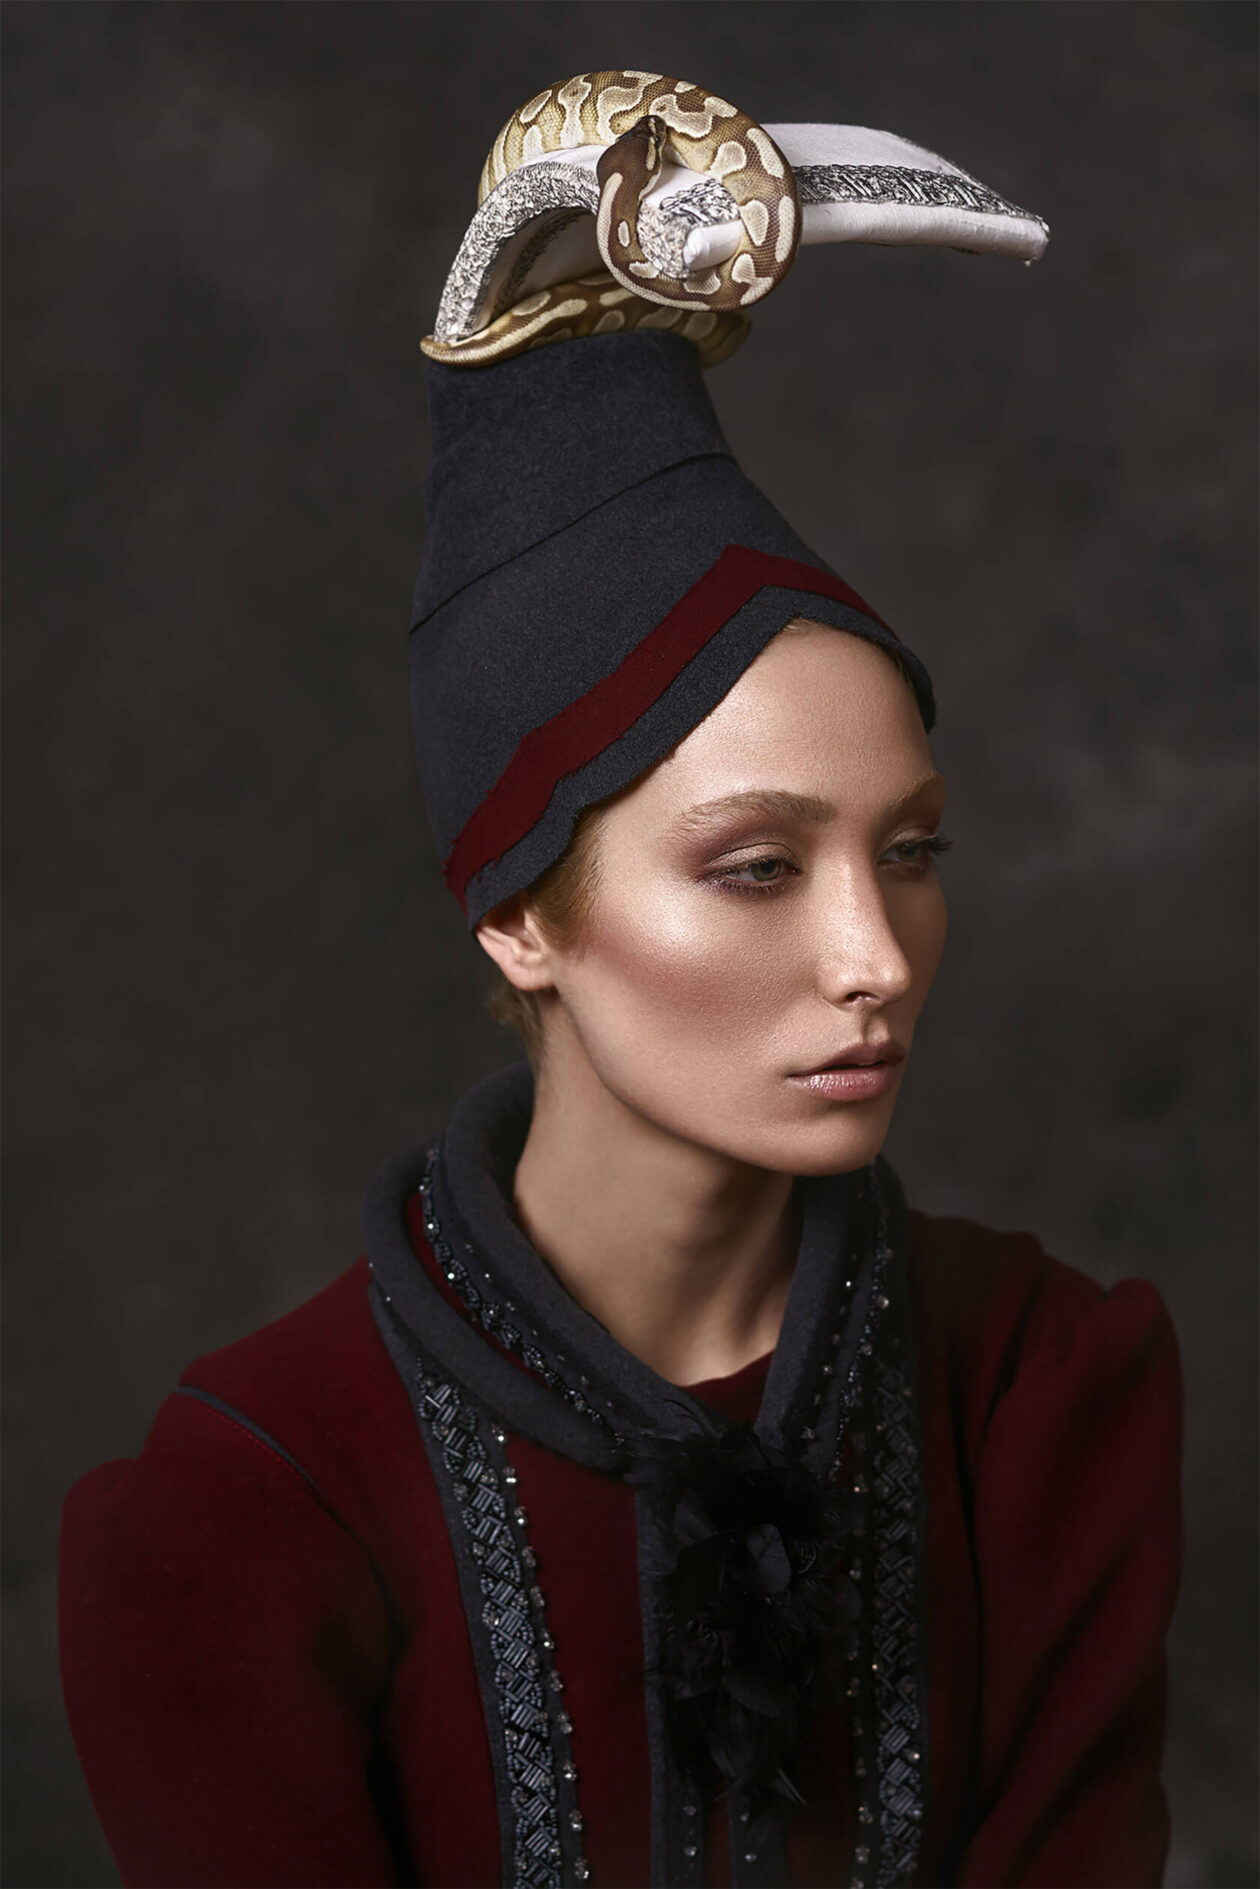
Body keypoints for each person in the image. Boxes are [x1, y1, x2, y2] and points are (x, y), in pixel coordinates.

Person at [59, 72, 1181, 1889]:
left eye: (910, 850)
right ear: (521, 910)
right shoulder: (248, 1507)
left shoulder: (1037, 1391)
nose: (874, 958)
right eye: (757, 867)